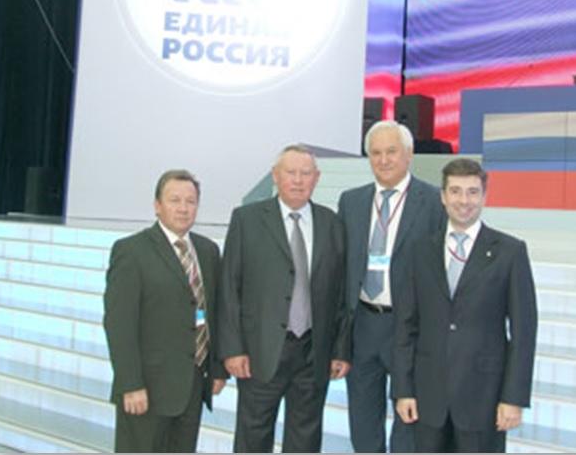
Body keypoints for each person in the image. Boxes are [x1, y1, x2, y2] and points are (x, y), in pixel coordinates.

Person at [393, 158, 538, 453]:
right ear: (443, 196)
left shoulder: (510, 252)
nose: (464, 201)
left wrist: (513, 398)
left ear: (484, 196)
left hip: (483, 399)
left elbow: (524, 332)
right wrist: (403, 390)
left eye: (472, 192)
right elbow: (406, 325)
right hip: (428, 398)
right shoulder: (420, 250)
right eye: (456, 191)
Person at [218, 144, 351, 453]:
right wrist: (233, 349)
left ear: (317, 178)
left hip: (314, 353)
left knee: (306, 439)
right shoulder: (247, 219)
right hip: (259, 352)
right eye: (290, 172)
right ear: (275, 176)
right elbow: (229, 288)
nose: (298, 180)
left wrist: (341, 350)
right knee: (253, 438)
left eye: (306, 173)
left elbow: (341, 293)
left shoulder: (332, 223)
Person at [338, 121, 446, 452]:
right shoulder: (351, 201)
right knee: (363, 421)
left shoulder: (434, 201)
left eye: (391, 151)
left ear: (409, 155)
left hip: (410, 328)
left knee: (409, 422)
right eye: (376, 153)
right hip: (364, 325)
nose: (383, 160)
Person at [103, 169, 227, 452]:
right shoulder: (132, 251)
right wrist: (130, 384)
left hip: (192, 386)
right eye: (175, 200)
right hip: (147, 389)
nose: (183, 208)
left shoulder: (207, 251)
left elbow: (212, 313)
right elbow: (119, 324)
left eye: (190, 201)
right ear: (157, 206)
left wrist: (216, 368)